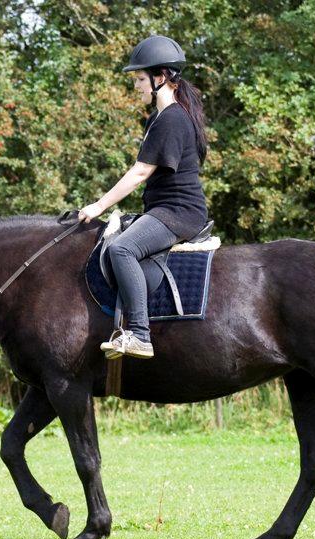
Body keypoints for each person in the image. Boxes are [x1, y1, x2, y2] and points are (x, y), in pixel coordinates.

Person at [77, 35, 209, 359]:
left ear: (160, 77)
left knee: (123, 249)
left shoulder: (173, 118)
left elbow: (139, 172)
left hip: (178, 212)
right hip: (165, 209)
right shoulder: (158, 118)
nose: (136, 86)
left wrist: (98, 206)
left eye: (139, 79)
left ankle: (139, 334)